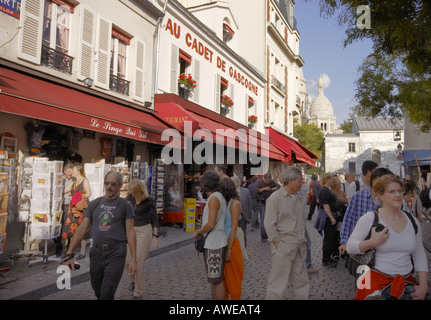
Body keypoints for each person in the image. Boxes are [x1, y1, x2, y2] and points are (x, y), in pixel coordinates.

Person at [346, 174, 428, 300]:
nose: (398, 195)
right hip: (376, 286)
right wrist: (371, 242)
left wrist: (423, 285)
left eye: (400, 191)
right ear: (381, 196)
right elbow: (350, 247)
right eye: (392, 192)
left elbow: (419, 254)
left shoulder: (412, 220)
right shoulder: (370, 218)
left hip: (406, 283)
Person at [62, 171, 137, 300]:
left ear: (119, 186)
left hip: (116, 253)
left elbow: (130, 231)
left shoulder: (125, 205)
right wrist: (69, 253)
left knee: (106, 293)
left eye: (113, 184)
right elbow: (82, 229)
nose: (109, 187)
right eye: (107, 183)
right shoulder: (94, 204)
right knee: (98, 290)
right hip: (96, 252)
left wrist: (133, 260)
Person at [264, 167, 309, 300]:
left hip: (299, 246)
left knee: (301, 282)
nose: (302, 183)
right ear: (291, 181)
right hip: (284, 246)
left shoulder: (297, 197)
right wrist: (278, 243)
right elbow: (269, 224)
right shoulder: (275, 198)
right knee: (277, 284)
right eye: (300, 180)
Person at [339, 167, 393, 257]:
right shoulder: (358, 196)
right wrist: (344, 241)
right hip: (359, 244)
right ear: (374, 181)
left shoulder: (388, 199)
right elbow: (348, 218)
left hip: (382, 246)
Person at [193, 170, 227, 300]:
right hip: (215, 242)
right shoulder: (218, 196)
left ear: (206, 183)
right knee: (214, 280)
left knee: (216, 280)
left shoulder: (214, 199)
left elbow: (211, 224)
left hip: (215, 243)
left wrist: (198, 231)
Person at [126, 179, 159, 299]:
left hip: (144, 231)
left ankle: (138, 291)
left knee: (138, 261)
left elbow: (155, 218)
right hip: (131, 231)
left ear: (139, 190)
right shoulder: (129, 199)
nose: (131, 192)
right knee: (127, 260)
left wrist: (155, 236)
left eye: (133, 191)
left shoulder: (149, 200)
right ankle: (134, 280)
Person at [219, 177, 244, 300]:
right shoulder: (227, 201)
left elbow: (234, 227)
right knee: (226, 278)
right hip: (225, 241)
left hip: (230, 242)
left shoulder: (233, 203)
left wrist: (229, 249)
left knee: (232, 277)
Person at [62, 163, 91, 260]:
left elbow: (88, 193)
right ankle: (71, 250)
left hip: (81, 207)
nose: (71, 172)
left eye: (73, 170)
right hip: (73, 208)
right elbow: (65, 190)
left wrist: (77, 197)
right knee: (72, 228)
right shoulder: (73, 181)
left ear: (78, 171)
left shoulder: (84, 180)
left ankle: (82, 251)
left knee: (82, 229)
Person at [315, 173, 340, 268]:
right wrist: (331, 217)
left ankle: (328, 258)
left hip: (328, 217)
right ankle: (326, 259)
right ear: (327, 179)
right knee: (328, 238)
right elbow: (326, 205)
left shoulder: (325, 190)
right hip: (327, 217)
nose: (331, 181)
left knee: (330, 238)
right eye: (330, 180)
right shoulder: (324, 190)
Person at [54, 162, 75, 257]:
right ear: (64, 171)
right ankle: (58, 246)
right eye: (69, 171)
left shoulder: (74, 180)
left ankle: (68, 248)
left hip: (70, 205)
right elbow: (58, 191)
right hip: (59, 205)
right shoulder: (60, 179)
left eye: (71, 171)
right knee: (59, 225)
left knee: (69, 226)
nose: (70, 173)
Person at [256, 173, 280, 242]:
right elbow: (256, 191)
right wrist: (264, 188)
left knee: (271, 219)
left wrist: (274, 189)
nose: (268, 182)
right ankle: (263, 236)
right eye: (266, 180)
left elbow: (279, 186)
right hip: (262, 202)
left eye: (269, 180)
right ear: (264, 178)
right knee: (263, 219)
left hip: (270, 202)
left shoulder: (272, 181)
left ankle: (269, 235)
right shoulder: (259, 182)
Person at [231, 176, 252, 247]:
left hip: (243, 216)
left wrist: (249, 216)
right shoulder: (229, 192)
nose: (233, 184)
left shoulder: (246, 191)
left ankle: (243, 247)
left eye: (234, 182)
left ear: (238, 183)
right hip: (233, 217)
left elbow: (249, 203)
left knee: (243, 233)